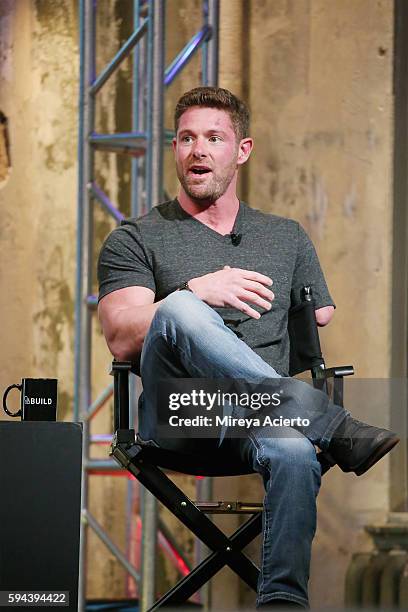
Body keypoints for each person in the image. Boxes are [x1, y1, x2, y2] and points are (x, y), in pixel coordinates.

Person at [97, 87, 399, 609]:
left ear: (243, 150)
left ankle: (282, 601)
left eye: (215, 138)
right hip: (181, 413)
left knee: (293, 448)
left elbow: (317, 316)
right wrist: (196, 291)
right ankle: (329, 422)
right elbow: (121, 335)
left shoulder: (286, 238)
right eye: (187, 138)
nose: (199, 150)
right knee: (182, 310)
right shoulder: (136, 237)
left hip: (261, 415)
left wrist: (318, 304)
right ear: (174, 148)